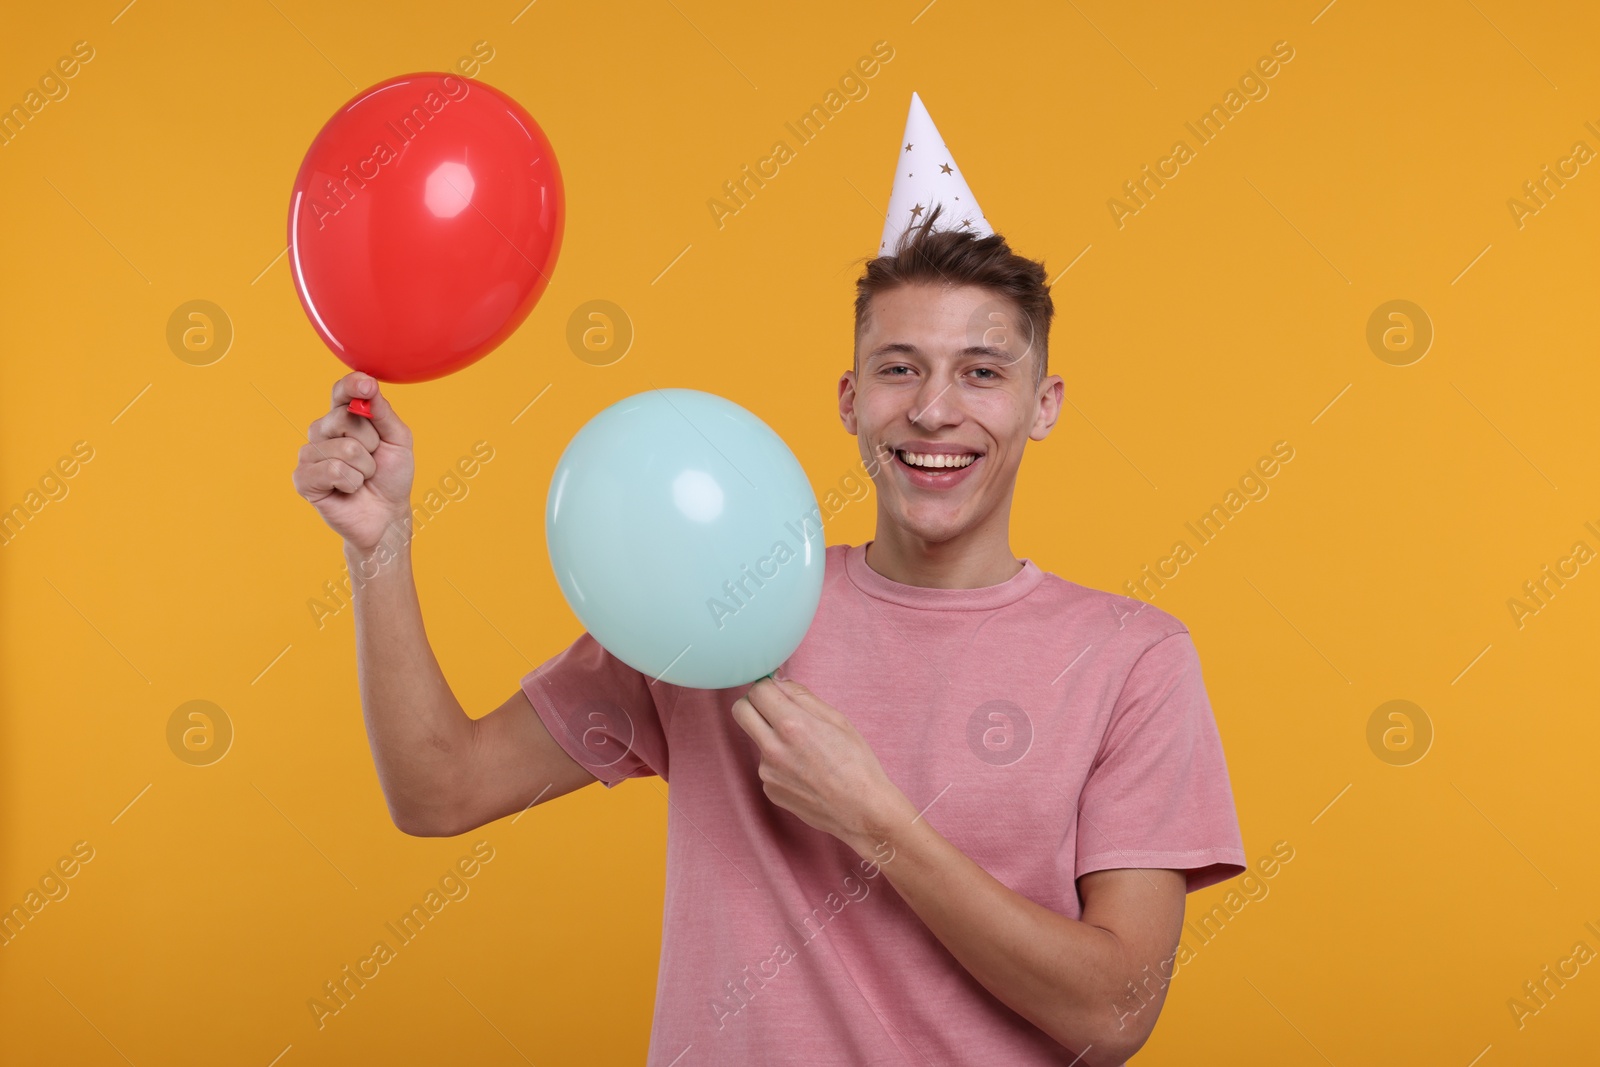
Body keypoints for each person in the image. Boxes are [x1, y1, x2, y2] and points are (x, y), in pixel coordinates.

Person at [292, 100, 1247, 1067]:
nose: (932, 409)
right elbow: (438, 790)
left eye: (983, 373)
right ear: (849, 398)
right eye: (899, 367)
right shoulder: (717, 596)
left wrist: (879, 823)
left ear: (1043, 405)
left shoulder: (1134, 659)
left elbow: (1116, 1013)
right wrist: (379, 544)